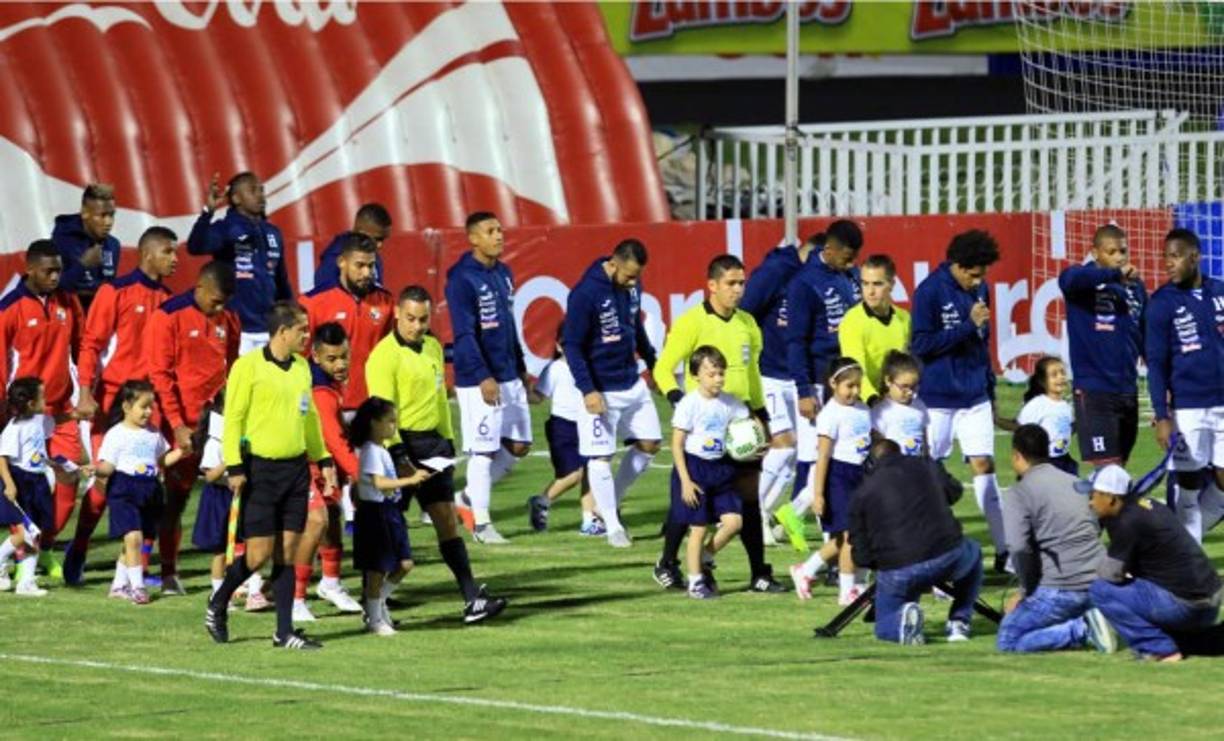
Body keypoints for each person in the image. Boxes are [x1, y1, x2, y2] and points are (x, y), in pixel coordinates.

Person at [366, 286, 508, 623]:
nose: (417, 326)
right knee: (389, 535)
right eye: (411, 319)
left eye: (423, 319)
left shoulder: (432, 347)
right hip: (401, 449)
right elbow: (382, 412)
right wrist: (398, 454)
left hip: (433, 448)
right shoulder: (383, 357)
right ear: (397, 315)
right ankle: (372, 603)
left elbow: (440, 398)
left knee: (447, 520)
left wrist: (447, 437)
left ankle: (471, 598)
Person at [204, 302, 337, 650]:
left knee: (288, 550)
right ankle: (218, 603)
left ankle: (284, 632)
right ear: (282, 332)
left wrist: (322, 457)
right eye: (302, 330)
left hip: (295, 470)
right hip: (260, 471)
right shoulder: (246, 368)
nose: (307, 336)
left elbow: (309, 418)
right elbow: (233, 419)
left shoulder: (303, 368)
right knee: (259, 553)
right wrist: (234, 466)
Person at [652, 254, 784, 593]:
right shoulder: (691, 322)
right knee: (692, 502)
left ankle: (759, 573)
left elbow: (752, 374)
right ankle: (667, 562)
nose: (738, 290)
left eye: (742, 283)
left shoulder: (748, 325)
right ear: (712, 286)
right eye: (731, 283)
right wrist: (679, 401)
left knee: (749, 500)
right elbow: (663, 368)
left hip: (739, 427)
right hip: (703, 431)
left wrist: (761, 417)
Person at [63, 226, 178, 587]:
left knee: (149, 483)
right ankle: (79, 548)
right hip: (113, 400)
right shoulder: (115, 291)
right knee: (104, 482)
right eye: (169, 252)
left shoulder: (169, 299)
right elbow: (91, 344)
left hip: (151, 405)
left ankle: (134, 569)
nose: (176, 259)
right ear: (148, 254)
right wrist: (84, 392)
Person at [910, 229, 1008, 570]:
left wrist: (990, 389)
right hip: (937, 399)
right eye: (975, 274)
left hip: (974, 396)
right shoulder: (929, 292)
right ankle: (930, 548)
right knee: (930, 474)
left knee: (984, 465)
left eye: (983, 275)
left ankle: (1004, 550)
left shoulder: (982, 289)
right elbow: (920, 345)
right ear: (958, 266)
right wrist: (967, 327)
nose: (979, 281)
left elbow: (984, 343)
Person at [146, 261, 240, 593]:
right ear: (199, 287)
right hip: (179, 425)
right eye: (215, 300)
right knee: (172, 498)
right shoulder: (168, 316)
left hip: (214, 424)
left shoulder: (229, 319)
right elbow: (160, 375)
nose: (220, 307)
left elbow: (232, 371)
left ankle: (234, 574)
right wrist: (176, 425)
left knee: (229, 493)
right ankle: (164, 571)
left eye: (224, 301)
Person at [561, 239, 661, 548]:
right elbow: (572, 346)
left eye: (637, 276)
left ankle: (608, 504)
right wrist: (588, 390)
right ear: (613, 264)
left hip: (631, 382)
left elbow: (635, 326)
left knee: (650, 443)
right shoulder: (585, 294)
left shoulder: (632, 286)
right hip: (601, 388)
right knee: (601, 457)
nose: (633, 282)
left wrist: (653, 363)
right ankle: (613, 525)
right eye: (629, 275)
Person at [445, 212, 532, 544]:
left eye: (500, 230)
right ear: (473, 239)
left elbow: (509, 325)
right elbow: (465, 333)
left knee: (520, 445)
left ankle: (466, 498)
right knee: (482, 451)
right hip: (478, 379)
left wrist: (521, 368)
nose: (499, 235)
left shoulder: (504, 273)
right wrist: (483, 376)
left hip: (509, 374)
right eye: (490, 231)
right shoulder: (461, 279)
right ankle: (481, 523)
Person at [0, 241, 87, 576]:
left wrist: (85, 391)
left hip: (62, 411)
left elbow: (81, 349)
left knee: (67, 481)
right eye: (48, 271)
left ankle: (46, 546)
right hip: (25, 416)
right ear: (30, 269)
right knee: (24, 488)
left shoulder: (68, 302)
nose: (54, 277)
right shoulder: (9, 308)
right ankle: (23, 559)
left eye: (58, 271)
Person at [774, 220, 862, 550]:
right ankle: (830, 541)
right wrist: (804, 390)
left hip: (846, 379)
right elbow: (795, 342)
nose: (852, 263)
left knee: (840, 459)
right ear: (831, 250)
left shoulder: (850, 277)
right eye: (848, 257)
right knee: (823, 460)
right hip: (817, 381)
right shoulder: (803, 285)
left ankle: (792, 514)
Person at [848, 439, 983, 645]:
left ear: (870, 463)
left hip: (897, 568)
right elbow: (954, 491)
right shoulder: (927, 465)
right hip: (947, 555)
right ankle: (959, 620)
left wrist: (884, 566)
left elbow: (861, 555)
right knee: (973, 551)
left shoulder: (861, 494)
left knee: (884, 626)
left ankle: (904, 619)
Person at [1083, 464, 1222, 662]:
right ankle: (1179, 640)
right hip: (1208, 605)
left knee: (1100, 590)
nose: (1090, 502)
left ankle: (1158, 649)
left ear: (1111, 498)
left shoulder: (1126, 522)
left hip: (1186, 607)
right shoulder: (1148, 505)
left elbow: (1109, 574)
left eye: (1093, 495)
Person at [997, 424, 1114, 653]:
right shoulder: (1075, 482)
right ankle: (1098, 618)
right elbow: (1095, 525)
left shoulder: (1019, 493)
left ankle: (1082, 630)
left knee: (1008, 640)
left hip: (1063, 588)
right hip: (1102, 582)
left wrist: (1026, 592)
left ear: (1017, 455)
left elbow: (1019, 547)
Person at [1144, 228, 1224, 543]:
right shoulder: (1161, 303)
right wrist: (1162, 416)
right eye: (1166, 257)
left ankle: (1180, 545)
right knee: (1187, 486)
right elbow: (1156, 364)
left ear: (1195, 257)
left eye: (1175, 256)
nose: (1168, 263)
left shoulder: (1220, 291)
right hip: (1188, 407)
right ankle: (1188, 561)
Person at [741, 233, 819, 544]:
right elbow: (746, 315)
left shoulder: (814, 280)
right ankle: (753, 511)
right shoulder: (774, 272)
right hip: (769, 373)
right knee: (783, 443)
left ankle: (765, 511)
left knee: (798, 451)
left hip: (798, 376)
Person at [1058, 224, 1146, 468]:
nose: (1119, 257)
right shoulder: (1080, 279)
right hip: (1095, 390)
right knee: (1107, 472)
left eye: (1123, 251)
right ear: (1095, 253)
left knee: (1118, 471)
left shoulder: (1136, 287)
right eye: (1112, 252)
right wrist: (1114, 275)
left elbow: (1145, 335)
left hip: (1128, 389)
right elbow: (1068, 280)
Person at [292, 323, 363, 620]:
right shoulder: (319, 390)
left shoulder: (328, 383)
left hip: (321, 464)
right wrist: (362, 474)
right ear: (316, 357)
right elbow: (333, 438)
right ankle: (294, 599)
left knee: (332, 518)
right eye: (332, 359)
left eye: (344, 356)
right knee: (316, 521)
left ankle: (330, 583)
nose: (341, 364)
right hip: (302, 464)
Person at [788, 358, 872, 605]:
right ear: (833, 383)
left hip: (861, 475)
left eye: (858, 386)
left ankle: (806, 570)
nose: (855, 391)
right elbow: (823, 455)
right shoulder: (830, 415)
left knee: (850, 535)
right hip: (839, 477)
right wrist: (818, 494)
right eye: (849, 386)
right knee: (850, 536)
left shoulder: (863, 409)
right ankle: (848, 590)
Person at [94, 381, 184, 605]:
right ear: (126, 407)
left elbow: (162, 460)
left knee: (135, 540)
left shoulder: (153, 433)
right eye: (143, 406)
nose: (149, 412)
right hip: (124, 488)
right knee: (133, 537)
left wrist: (182, 452)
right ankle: (138, 587)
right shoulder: (116, 434)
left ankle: (118, 586)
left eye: (151, 407)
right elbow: (107, 466)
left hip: (150, 489)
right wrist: (95, 469)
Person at [668, 347, 747, 600]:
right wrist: (686, 482)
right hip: (695, 468)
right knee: (699, 528)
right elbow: (677, 444)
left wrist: (754, 443)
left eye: (721, 373)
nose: (718, 379)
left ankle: (705, 556)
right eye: (712, 374)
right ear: (696, 376)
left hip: (721, 468)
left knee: (734, 522)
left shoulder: (730, 403)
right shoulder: (689, 404)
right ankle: (695, 582)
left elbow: (746, 426)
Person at [348, 397, 430, 636]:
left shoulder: (380, 450)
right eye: (390, 421)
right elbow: (379, 483)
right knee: (376, 569)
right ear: (374, 423)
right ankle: (374, 618)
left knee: (405, 564)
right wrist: (410, 480)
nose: (394, 426)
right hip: (375, 513)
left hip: (390, 511)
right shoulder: (371, 451)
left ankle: (376, 603)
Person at [187, 171, 293, 353]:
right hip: (237, 330)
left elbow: (281, 281)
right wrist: (208, 212)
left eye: (261, 190)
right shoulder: (226, 228)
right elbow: (195, 246)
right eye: (253, 190)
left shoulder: (273, 232)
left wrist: (290, 315)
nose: (260, 195)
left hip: (269, 329)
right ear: (236, 198)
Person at [300, 232, 394, 410]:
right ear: (342, 262)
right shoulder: (313, 303)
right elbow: (299, 359)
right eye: (359, 265)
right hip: (326, 405)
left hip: (372, 405)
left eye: (371, 266)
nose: (367, 273)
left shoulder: (386, 303)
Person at [0, 378, 75, 596]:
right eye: (43, 396)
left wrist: (75, 415)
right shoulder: (14, 429)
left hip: (38, 482)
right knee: (26, 534)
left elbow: (55, 421)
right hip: (19, 482)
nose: (47, 399)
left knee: (35, 533)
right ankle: (16, 574)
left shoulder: (39, 421)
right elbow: (2, 457)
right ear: (31, 403)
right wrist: (10, 484)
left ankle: (26, 583)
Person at [528, 330, 600, 535]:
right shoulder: (555, 369)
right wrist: (521, 392)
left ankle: (589, 520)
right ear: (559, 346)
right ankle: (542, 500)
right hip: (563, 427)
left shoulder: (589, 366)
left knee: (591, 471)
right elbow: (539, 396)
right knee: (572, 475)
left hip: (587, 423)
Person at [838, 254, 911, 406]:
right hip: (863, 403)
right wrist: (873, 400)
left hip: (896, 402)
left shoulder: (904, 319)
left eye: (877, 284)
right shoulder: (852, 321)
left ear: (892, 284)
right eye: (865, 284)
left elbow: (907, 365)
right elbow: (856, 370)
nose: (870, 291)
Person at [189, 391, 235, 599]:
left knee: (238, 545)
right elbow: (209, 475)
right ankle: (218, 592)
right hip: (218, 498)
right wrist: (230, 461)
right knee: (221, 549)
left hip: (236, 497)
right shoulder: (215, 443)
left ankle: (240, 587)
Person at [51, 183, 120, 312]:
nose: (108, 222)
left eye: (111, 215)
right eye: (102, 215)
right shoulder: (63, 239)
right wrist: (83, 264)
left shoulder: (113, 245)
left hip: (96, 321)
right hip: (66, 318)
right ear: (84, 213)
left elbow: (107, 289)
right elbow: (54, 288)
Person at [1017, 356, 1077, 476]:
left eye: (1062, 373)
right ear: (1043, 381)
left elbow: (1068, 429)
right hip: (1044, 461)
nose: (1060, 377)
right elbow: (1021, 428)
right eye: (1054, 375)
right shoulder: (1037, 404)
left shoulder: (1067, 405)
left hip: (1064, 459)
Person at [313, 203, 393, 289]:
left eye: (383, 239)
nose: (380, 245)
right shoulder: (333, 262)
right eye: (377, 239)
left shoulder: (373, 256)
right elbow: (323, 297)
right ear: (361, 232)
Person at [870, 351, 929, 457]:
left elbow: (924, 439)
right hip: (894, 468)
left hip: (917, 466)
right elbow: (877, 446)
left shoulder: (919, 406)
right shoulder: (881, 411)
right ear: (888, 381)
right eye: (904, 386)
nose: (910, 392)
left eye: (913, 386)